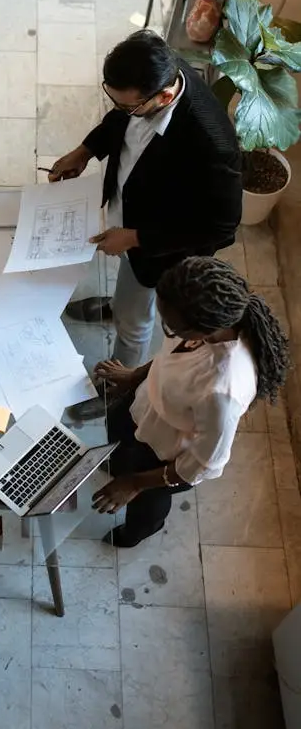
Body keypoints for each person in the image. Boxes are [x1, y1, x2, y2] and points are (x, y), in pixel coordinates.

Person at [49, 30, 242, 369]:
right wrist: (86, 150)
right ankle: (118, 304)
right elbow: (121, 119)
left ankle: (120, 376)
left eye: (129, 105)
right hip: (133, 211)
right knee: (127, 287)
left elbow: (222, 227)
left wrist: (136, 238)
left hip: (161, 247)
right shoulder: (160, 70)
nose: (120, 110)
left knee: (134, 317)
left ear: (165, 97)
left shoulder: (213, 145)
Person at [92, 256, 289, 547]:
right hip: (145, 405)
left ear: (203, 328)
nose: (166, 330)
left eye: (171, 328)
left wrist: (135, 483)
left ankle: (135, 534)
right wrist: (135, 376)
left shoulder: (222, 390)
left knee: (146, 502)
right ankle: (121, 467)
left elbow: (202, 465)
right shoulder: (194, 316)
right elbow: (169, 357)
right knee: (118, 444)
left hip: (163, 452)